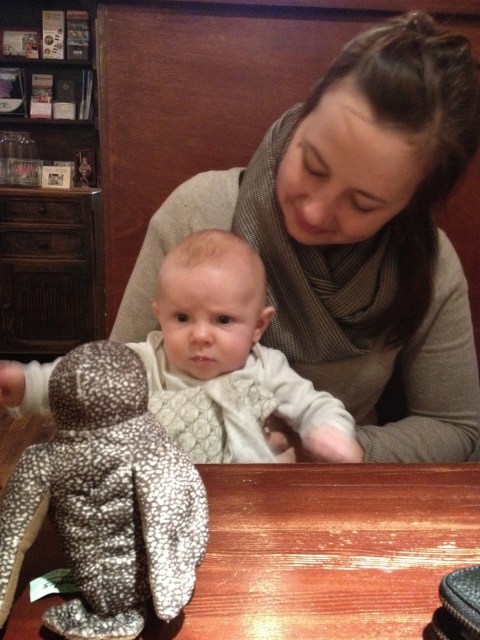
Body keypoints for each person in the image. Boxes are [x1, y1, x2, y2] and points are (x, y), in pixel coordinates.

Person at [109, 11, 480, 463]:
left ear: (410, 207)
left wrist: (332, 448)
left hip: (341, 489)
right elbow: (115, 387)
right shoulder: (198, 213)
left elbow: (455, 427)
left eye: (363, 204)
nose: (314, 211)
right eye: (313, 165)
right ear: (305, 114)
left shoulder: (428, 262)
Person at [0, 230, 361, 464]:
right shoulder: (147, 361)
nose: (200, 335)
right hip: (161, 495)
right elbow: (85, 378)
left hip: (250, 497)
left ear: (258, 327)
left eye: (223, 320)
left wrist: (330, 432)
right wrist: (28, 384)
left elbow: (316, 405)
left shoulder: (267, 368)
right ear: (160, 316)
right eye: (183, 318)